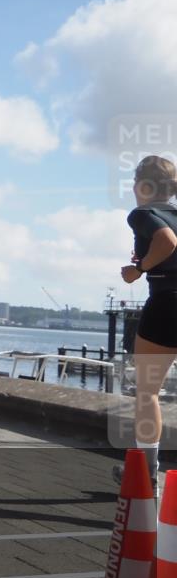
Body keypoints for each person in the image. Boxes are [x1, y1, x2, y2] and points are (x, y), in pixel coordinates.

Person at [116, 155, 177, 495]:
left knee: (147, 391)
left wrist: (139, 270)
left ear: (142, 186)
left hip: (167, 302)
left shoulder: (142, 214)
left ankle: (147, 477)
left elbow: (168, 240)